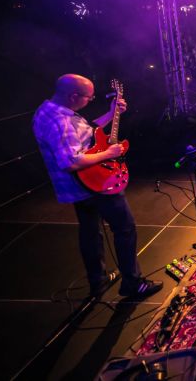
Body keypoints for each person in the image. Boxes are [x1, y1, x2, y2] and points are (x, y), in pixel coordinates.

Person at [33, 74, 162, 298]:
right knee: (124, 228)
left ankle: (98, 281)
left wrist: (112, 114)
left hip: (78, 187)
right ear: (73, 96)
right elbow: (71, 162)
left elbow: (87, 133)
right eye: (88, 98)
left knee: (90, 231)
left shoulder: (48, 110)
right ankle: (132, 283)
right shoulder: (60, 121)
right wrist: (108, 153)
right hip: (93, 183)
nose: (90, 101)